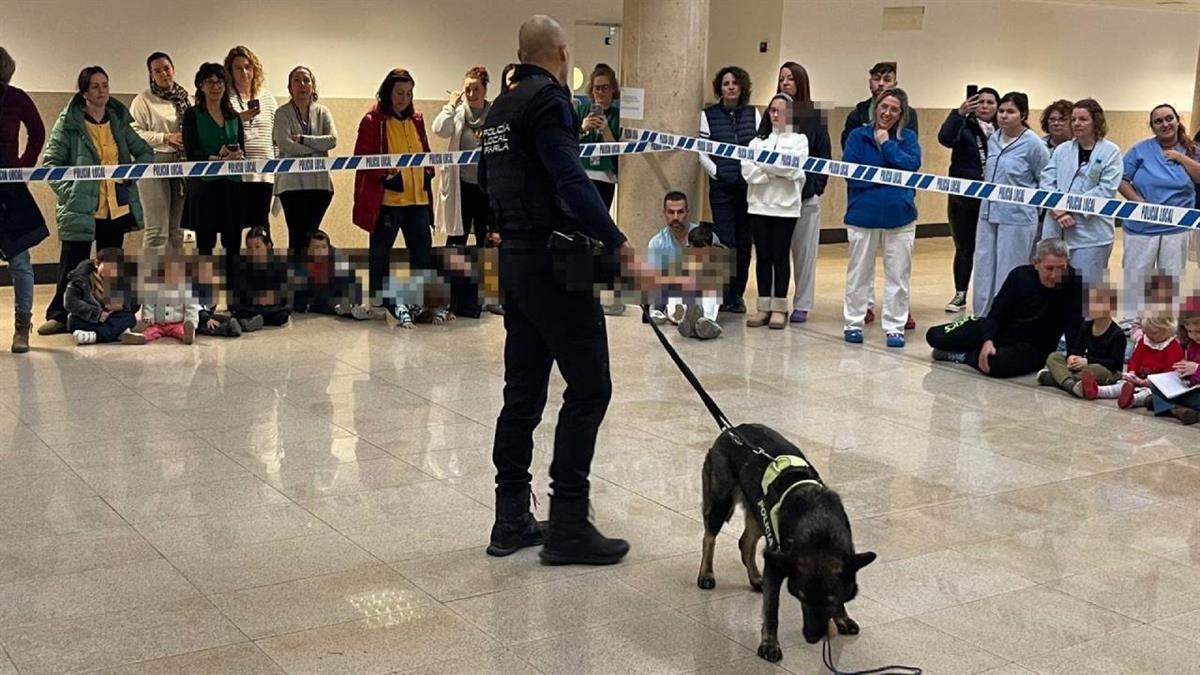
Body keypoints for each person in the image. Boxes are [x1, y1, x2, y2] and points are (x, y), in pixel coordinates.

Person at [481, 15, 671, 567]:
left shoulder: (500, 108)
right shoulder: (549, 101)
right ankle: (568, 522)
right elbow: (570, 177)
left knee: (522, 393)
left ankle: (510, 518)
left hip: (514, 260)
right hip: (555, 263)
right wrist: (618, 243)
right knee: (590, 388)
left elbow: (492, 183)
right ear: (563, 53)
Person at [37, 66, 154, 336]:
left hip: (116, 206)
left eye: (105, 85)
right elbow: (50, 165)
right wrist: (72, 193)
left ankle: (111, 314)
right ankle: (60, 315)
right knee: (73, 266)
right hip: (82, 208)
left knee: (111, 267)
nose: (102, 91)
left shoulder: (118, 120)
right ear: (84, 92)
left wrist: (130, 176)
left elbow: (145, 152)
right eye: (95, 86)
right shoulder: (68, 123)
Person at [927, 238, 1083, 378]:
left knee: (995, 364)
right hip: (1002, 331)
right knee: (935, 336)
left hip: (1033, 346)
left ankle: (965, 356)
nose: (1055, 275)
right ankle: (978, 347)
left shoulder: (1074, 282)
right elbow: (996, 313)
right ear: (1035, 263)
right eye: (1049, 268)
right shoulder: (1019, 276)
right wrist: (988, 340)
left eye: (1061, 268)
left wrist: (1074, 354)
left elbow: (1075, 324)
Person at [841, 87, 921, 348]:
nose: (887, 113)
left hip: (900, 216)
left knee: (898, 276)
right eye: (883, 106)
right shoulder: (857, 136)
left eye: (894, 109)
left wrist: (887, 145)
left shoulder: (907, 138)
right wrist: (887, 178)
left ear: (901, 114)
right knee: (858, 274)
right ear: (875, 108)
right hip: (862, 214)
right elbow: (851, 174)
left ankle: (895, 326)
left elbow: (911, 166)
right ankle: (853, 323)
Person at [353, 68, 435, 318]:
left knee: (422, 250)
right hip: (389, 199)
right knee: (380, 252)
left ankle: (420, 300)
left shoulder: (417, 119)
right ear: (388, 92)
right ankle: (379, 300)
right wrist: (386, 175)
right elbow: (361, 158)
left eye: (409, 93)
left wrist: (428, 171)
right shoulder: (372, 120)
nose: (404, 98)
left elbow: (426, 151)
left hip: (418, 198)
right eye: (400, 93)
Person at [973, 92, 1050, 317]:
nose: (1004, 116)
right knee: (984, 268)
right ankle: (983, 318)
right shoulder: (993, 138)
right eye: (1001, 111)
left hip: (1017, 218)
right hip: (988, 213)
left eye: (1011, 112)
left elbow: (1045, 179)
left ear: (1023, 115)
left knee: (1010, 270)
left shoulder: (1033, 144)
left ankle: (1007, 319)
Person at [1118, 104, 1199, 296]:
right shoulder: (1140, 150)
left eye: (1169, 118)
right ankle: (1133, 315)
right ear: (1152, 126)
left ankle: (1164, 315)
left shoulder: (1192, 150)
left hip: (1176, 228)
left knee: (1168, 286)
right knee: (1135, 282)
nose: (1165, 124)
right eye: (1158, 121)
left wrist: (1180, 157)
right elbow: (1121, 179)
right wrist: (1137, 201)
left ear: (1178, 120)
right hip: (1142, 226)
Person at [742, 93, 807, 330]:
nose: (776, 114)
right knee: (762, 258)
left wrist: (766, 167)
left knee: (780, 257)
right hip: (758, 206)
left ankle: (779, 308)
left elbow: (792, 169)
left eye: (781, 110)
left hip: (786, 209)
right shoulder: (756, 142)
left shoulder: (799, 140)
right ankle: (763, 307)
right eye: (772, 110)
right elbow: (748, 171)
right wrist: (775, 170)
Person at [1040, 98, 1122, 283]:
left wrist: (1067, 208)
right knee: (1053, 285)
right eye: (1074, 119)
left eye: (1083, 119)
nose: (1076, 123)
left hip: (1091, 234)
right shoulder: (1062, 150)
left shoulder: (1110, 152)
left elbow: (1106, 190)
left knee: (1087, 289)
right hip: (1056, 225)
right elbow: (1046, 181)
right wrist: (1057, 210)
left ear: (1096, 122)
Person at [182, 62, 245, 298]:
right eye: (210, 82)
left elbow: (242, 148)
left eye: (219, 82)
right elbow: (191, 151)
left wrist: (235, 155)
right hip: (204, 185)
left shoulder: (234, 116)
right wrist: (215, 158)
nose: (215, 86)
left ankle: (234, 296)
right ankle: (204, 298)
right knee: (205, 243)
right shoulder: (192, 114)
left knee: (233, 242)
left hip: (231, 184)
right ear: (201, 85)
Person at [700, 65, 759, 314]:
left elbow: (759, 148)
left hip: (748, 189)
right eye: (726, 83)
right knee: (726, 243)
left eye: (735, 83)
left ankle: (738, 295)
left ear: (742, 87)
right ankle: (723, 295)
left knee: (744, 244)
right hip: (721, 190)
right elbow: (702, 151)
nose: (731, 87)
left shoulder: (753, 114)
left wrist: (750, 174)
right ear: (720, 89)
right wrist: (718, 173)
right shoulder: (708, 115)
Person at [0, 46, 47, 353]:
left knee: (19, 260)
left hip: (9, 189)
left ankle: (22, 328)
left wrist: (22, 169)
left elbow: (37, 133)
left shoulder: (16, 98)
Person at [777, 61, 830, 324]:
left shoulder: (814, 117)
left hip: (805, 197)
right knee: (777, 254)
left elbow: (824, 156)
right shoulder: (773, 113)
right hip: (776, 198)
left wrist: (816, 187)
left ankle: (802, 303)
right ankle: (776, 302)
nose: (785, 83)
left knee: (805, 255)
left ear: (800, 82)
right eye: (782, 79)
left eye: (790, 78)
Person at [937, 86, 998, 313]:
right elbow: (945, 138)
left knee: (990, 248)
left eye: (990, 102)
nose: (984, 106)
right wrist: (959, 113)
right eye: (980, 102)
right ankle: (960, 293)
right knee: (964, 247)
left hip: (993, 198)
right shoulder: (963, 124)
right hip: (963, 198)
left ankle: (992, 294)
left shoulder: (1004, 130)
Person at [273, 65, 337, 259]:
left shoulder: (323, 112)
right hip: (291, 185)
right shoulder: (282, 113)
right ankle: (296, 276)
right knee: (297, 236)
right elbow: (285, 144)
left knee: (313, 237)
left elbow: (332, 140)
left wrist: (302, 139)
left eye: (306, 80)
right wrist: (316, 149)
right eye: (297, 80)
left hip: (319, 185)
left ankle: (316, 275)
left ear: (313, 86)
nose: (302, 84)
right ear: (289, 87)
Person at [130, 51, 189, 254]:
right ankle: (152, 273)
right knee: (157, 230)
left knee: (177, 230)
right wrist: (164, 137)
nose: (164, 74)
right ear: (151, 75)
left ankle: (175, 272)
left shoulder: (186, 98)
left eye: (166, 68)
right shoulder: (142, 101)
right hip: (154, 161)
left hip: (182, 162)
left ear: (173, 69)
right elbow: (134, 134)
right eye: (157, 71)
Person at [646, 191, 721, 339]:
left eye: (680, 212)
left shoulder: (706, 236)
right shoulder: (656, 243)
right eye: (670, 212)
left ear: (687, 212)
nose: (675, 217)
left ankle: (705, 320)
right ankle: (682, 317)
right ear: (664, 213)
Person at [434, 65, 492, 248]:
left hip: (487, 186)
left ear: (485, 90)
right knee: (457, 239)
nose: (471, 94)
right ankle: (454, 268)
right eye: (467, 89)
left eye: (476, 89)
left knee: (487, 239)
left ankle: (485, 268)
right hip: (462, 185)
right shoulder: (458, 113)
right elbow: (439, 129)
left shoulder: (494, 114)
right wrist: (451, 105)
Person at [1037, 283, 1125, 398]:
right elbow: (1077, 349)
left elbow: (1115, 364)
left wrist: (1088, 361)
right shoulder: (1086, 326)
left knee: (1096, 370)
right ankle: (1071, 384)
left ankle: (1056, 378)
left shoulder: (1117, 334)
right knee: (1054, 357)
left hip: (1105, 370)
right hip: (1083, 367)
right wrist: (1072, 357)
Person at [224, 46, 277, 233]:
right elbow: (220, 129)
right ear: (230, 71)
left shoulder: (267, 97)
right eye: (238, 68)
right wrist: (239, 119)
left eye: (248, 67)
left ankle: (263, 253)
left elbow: (275, 135)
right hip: (237, 171)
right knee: (235, 223)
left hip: (264, 169)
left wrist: (277, 166)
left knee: (261, 224)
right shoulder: (225, 98)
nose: (244, 72)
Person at [1081, 316, 1182, 409]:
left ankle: (1132, 400)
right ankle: (1098, 391)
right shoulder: (1144, 341)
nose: (1150, 335)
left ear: (1168, 330)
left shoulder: (1173, 346)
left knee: (1149, 393)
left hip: (1156, 383)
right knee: (1123, 385)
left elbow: (1170, 369)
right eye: (1146, 332)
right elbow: (1135, 359)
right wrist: (1132, 372)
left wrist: (1152, 381)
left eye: (1154, 333)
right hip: (1138, 378)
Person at [64, 247, 140, 345]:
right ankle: (117, 332)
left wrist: (122, 305)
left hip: (112, 317)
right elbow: (70, 303)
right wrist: (98, 314)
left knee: (129, 318)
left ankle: (94, 336)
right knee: (74, 322)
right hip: (88, 319)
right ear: (97, 263)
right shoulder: (81, 278)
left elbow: (135, 304)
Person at [292, 231, 372, 319]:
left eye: (324, 247)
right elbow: (299, 300)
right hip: (318, 304)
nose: (321, 252)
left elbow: (352, 285)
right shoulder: (298, 268)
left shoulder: (339, 262)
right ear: (308, 250)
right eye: (316, 247)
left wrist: (355, 302)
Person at [840, 62, 919, 149]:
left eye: (887, 80)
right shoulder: (856, 115)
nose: (881, 83)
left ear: (894, 84)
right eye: (876, 79)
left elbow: (909, 147)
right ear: (870, 82)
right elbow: (848, 146)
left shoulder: (909, 114)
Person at [577, 63, 620, 209]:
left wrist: (606, 131)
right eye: (597, 88)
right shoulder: (581, 111)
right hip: (581, 173)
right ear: (592, 90)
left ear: (613, 89)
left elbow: (619, 152)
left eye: (605, 88)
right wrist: (583, 128)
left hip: (605, 176)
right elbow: (568, 141)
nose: (601, 92)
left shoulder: (618, 116)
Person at [128, 253, 198, 345]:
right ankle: (140, 338)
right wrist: (148, 319)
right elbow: (149, 305)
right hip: (158, 324)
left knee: (182, 330)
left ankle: (187, 336)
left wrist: (190, 321)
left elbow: (191, 307)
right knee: (150, 331)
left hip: (178, 323)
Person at [1147, 303, 1199, 425]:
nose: (1194, 336)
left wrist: (1197, 369)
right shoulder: (1191, 345)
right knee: (1155, 385)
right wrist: (1183, 373)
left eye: (1198, 331)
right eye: (1189, 331)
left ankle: (1164, 404)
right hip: (1191, 388)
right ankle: (1175, 409)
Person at [230, 227, 290, 330]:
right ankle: (252, 321)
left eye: (258, 247)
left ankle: (257, 320)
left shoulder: (279, 265)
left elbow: (285, 292)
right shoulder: (241, 266)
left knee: (281, 316)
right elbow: (238, 292)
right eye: (250, 248)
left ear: (268, 246)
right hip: (251, 307)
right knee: (242, 313)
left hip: (272, 307)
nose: (254, 251)